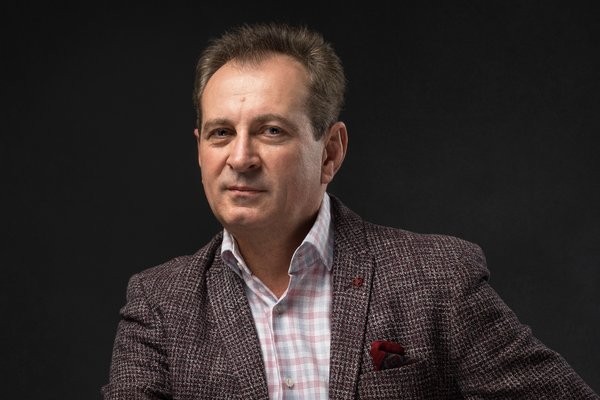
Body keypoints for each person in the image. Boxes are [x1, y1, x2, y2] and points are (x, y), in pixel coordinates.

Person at [102, 21, 598, 399]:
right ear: (200, 149)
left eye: (272, 131)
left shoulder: (438, 279)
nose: (240, 157)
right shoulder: (159, 305)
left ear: (331, 152)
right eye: (221, 133)